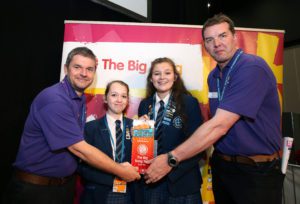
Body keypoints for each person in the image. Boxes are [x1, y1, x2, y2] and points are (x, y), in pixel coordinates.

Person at [144, 14, 285, 204]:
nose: (216, 43)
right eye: (209, 40)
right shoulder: (213, 77)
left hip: (255, 170)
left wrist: (171, 158)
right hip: (223, 167)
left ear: (235, 37)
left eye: (222, 36)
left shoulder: (251, 68)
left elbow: (219, 125)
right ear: (205, 45)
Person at [4, 47, 140, 204]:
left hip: (61, 187)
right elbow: (78, 149)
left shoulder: (78, 99)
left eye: (89, 69)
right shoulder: (55, 99)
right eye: (77, 67)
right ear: (66, 68)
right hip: (36, 190)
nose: (84, 73)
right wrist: (120, 171)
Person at [138, 57, 203, 204]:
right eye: (157, 73)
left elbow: (199, 145)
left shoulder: (189, 103)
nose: (162, 77)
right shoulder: (144, 105)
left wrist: (169, 168)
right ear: (150, 79)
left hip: (182, 182)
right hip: (152, 181)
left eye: (167, 73)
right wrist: (139, 130)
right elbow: (142, 146)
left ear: (175, 77)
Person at [78, 80, 136, 204]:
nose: (119, 100)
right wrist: (116, 175)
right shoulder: (90, 128)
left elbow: (144, 161)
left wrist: (145, 132)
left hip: (129, 195)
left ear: (127, 101)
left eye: (123, 96)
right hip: (98, 194)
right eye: (114, 95)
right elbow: (82, 167)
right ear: (105, 98)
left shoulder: (136, 127)